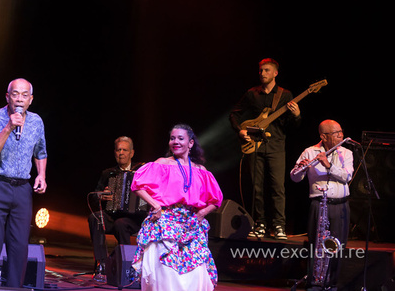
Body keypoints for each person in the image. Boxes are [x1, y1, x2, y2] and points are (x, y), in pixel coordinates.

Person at [131, 124, 223, 290]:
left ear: (191, 143)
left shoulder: (200, 170)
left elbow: (216, 199)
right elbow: (137, 185)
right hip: (166, 220)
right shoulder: (163, 164)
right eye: (172, 138)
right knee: (167, 273)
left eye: (181, 138)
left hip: (191, 223)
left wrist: (202, 212)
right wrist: (155, 205)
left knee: (194, 274)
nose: (175, 142)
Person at [0, 78, 48, 288]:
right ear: (7, 97)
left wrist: (41, 174)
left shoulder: (36, 122)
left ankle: (14, 287)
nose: (19, 98)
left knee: (19, 246)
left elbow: (41, 152)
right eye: (15, 94)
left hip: (22, 188)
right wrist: (9, 126)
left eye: (24, 95)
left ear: (31, 99)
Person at [229, 58, 301, 240]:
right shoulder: (252, 94)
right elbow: (234, 114)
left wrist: (297, 116)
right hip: (255, 145)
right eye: (261, 70)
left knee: (278, 187)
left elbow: (291, 126)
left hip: (276, 145)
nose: (262, 73)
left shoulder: (285, 94)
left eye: (266, 70)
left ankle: (279, 225)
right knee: (256, 187)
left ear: (275, 73)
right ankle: (260, 223)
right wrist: (240, 131)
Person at [290, 119, 352, 289]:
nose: (341, 135)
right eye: (336, 133)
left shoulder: (346, 153)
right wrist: (300, 169)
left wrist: (328, 165)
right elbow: (294, 178)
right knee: (316, 245)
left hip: (340, 206)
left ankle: (332, 284)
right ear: (324, 136)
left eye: (341, 131)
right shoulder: (310, 152)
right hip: (319, 204)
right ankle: (314, 283)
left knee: (338, 246)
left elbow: (347, 177)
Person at [87, 136, 147, 282]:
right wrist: (101, 196)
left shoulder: (141, 171)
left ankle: (127, 266)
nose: (121, 153)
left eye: (124, 150)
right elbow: (95, 196)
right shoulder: (108, 173)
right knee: (94, 218)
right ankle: (102, 264)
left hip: (135, 218)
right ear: (115, 153)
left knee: (121, 224)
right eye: (118, 150)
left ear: (131, 153)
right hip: (112, 216)